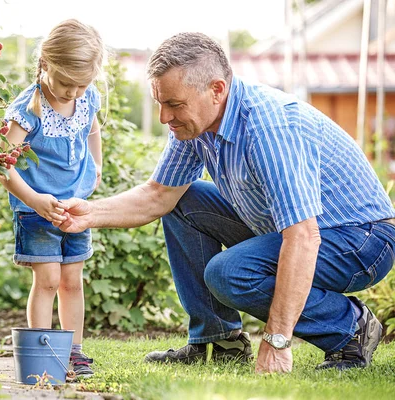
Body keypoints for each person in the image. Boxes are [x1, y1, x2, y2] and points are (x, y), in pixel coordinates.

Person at [54, 32, 395, 374]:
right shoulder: (195, 126)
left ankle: (349, 328)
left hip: (360, 239)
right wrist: (90, 213)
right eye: (160, 102)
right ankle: (220, 341)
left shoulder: (268, 128)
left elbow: (303, 236)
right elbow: (159, 194)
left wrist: (277, 340)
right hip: (297, 231)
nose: (163, 117)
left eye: (174, 104)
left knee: (229, 273)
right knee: (183, 200)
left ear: (216, 90)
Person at [0, 19, 106, 379]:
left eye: (82, 85)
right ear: (45, 63)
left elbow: (93, 129)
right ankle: (42, 355)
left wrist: (96, 167)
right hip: (36, 210)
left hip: (74, 209)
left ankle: (74, 353)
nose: (74, 93)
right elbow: (4, 167)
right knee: (46, 281)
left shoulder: (85, 97)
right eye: (65, 84)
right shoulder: (28, 110)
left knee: (71, 281)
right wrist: (34, 200)